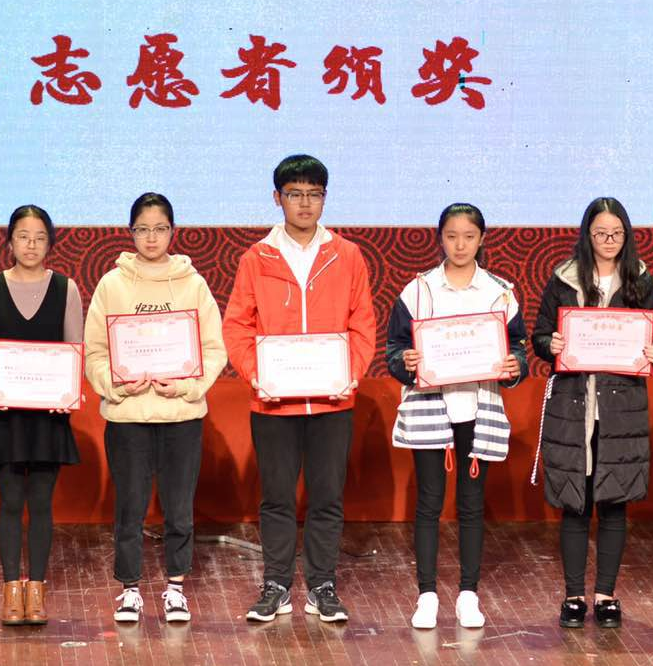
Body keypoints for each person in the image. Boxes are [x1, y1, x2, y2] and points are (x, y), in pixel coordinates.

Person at [224, 155, 376, 626]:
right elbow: (237, 326)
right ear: (278, 198)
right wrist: (257, 376)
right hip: (274, 402)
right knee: (276, 498)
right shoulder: (257, 258)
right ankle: (275, 584)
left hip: (333, 400)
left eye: (314, 194)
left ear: (324, 199)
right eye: (295, 194)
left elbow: (362, 323)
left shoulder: (347, 255)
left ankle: (322, 586)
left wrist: (351, 373)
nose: (304, 203)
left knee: (327, 496)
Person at [82, 192, 226, 626]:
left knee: (179, 508)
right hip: (128, 417)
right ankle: (130, 590)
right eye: (142, 229)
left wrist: (186, 386)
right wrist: (117, 385)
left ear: (172, 232)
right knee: (129, 507)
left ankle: (176, 588)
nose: (151, 237)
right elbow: (95, 351)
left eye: (159, 229)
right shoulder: (112, 284)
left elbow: (213, 349)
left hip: (181, 416)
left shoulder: (192, 284)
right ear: (130, 233)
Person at [384, 203, 527, 629]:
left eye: (468, 236)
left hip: (478, 408)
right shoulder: (419, 291)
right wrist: (405, 361)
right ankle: (426, 595)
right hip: (430, 407)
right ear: (440, 238)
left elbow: (517, 349)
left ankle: (468, 594)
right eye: (451, 236)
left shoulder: (500, 292)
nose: (460, 245)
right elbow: (394, 349)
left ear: (482, 239)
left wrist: (515, 365)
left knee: (471, 504)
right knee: (428, 502)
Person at [531, 197, 653, 630]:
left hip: (620, 408)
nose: (609, 241)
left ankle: (606, 595)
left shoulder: (640, 279)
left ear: (627, 235)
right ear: (587, 235)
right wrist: (550, 344)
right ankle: (573, 595)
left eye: (617, 234)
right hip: (574, 404)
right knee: (575, 502)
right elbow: (539, 335)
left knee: (613, 502)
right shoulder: (564, 278)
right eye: (601, 233)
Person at [0, 205, 84, 627]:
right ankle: (11, 590)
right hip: (7, 416)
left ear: (50, 243)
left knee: (42, 504)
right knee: (11, 502)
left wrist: (68, 391)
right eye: (22, 237)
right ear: (9, 241)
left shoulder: (66, 289)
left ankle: (38, 589)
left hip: (49, 416)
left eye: (39, 237)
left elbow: (75, 351)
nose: (31, 245)